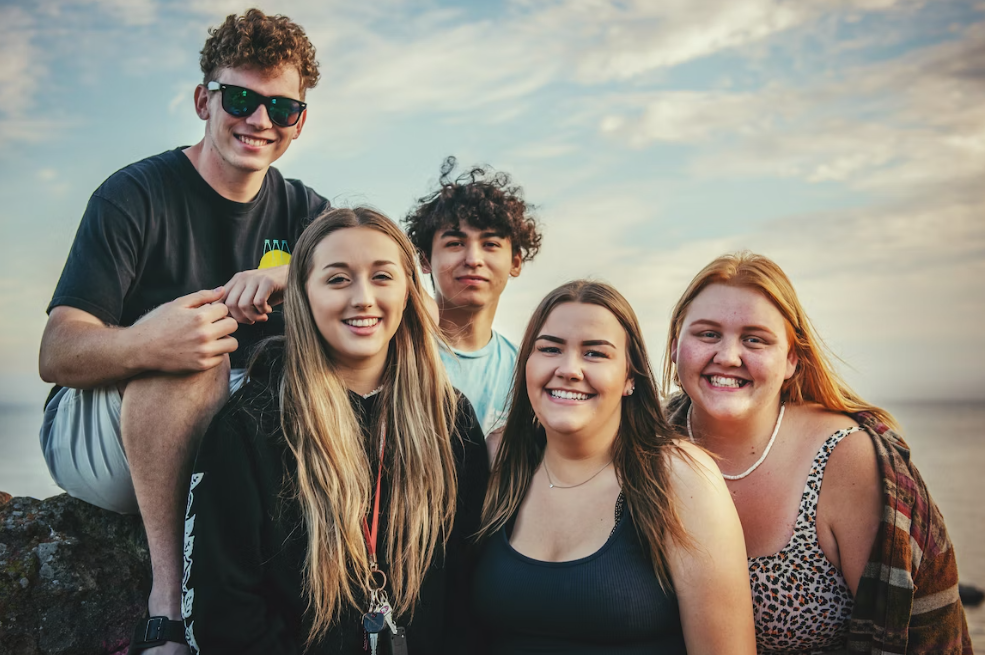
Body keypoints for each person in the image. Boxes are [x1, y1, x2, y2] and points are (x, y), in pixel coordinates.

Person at [37, 10, 327, 653]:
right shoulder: (134, 194)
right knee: (200, 345)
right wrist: (151, 342)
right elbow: (55, 353)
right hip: (101, 437)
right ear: (205, 99)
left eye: (281, 107)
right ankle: (168, 614)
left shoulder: (310, 217)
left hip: (225, 441)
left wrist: (290, 279)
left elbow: (385, 298)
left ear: (299, 121)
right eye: (242, 99)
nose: (259, 121)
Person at [182, 208, 490, 654]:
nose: (363, 298)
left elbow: (470, 591)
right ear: (304, 295)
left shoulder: (450, 420)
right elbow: (222, 608)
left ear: (408, 292)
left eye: (382, 277)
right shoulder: (252, 423)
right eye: (338, 279)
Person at [662, 251, 972, 654]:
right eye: (707, 334)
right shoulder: (647, 444)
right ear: (674, 346)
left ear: (792, 359)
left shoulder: (848, 459)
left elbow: (920, 639)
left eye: (754, 339)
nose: (728, 356)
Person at [472, 280, 756, 654]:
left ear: (629, 378)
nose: (569, 369)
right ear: (527, 362)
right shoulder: (498, 461)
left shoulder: (680, 477)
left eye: (595, 354)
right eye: (550, 349)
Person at [403, 156, 542, 437]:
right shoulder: (395, 353)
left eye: (490, 244)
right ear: (425, 259)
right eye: (455, 243)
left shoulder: (526, 373)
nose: (473, 259)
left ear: (515, 262)